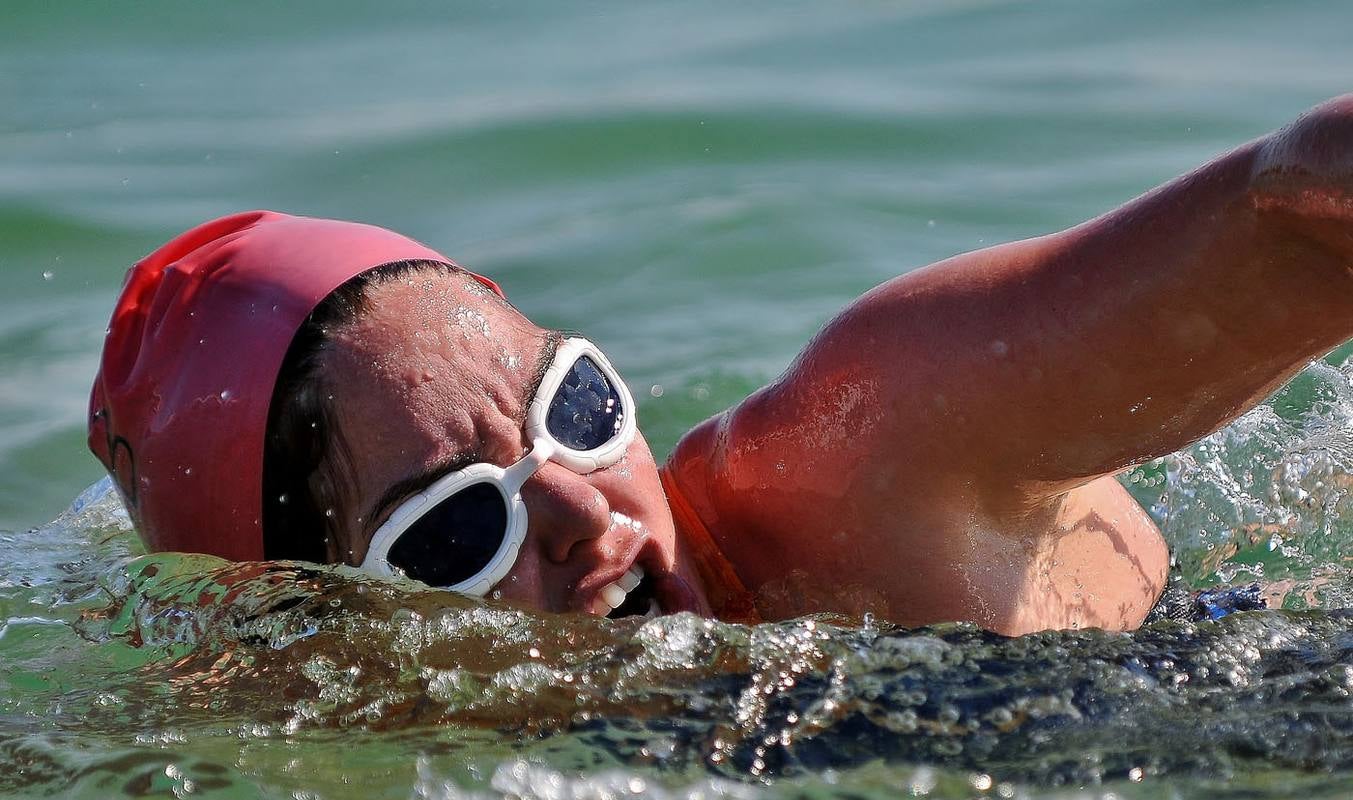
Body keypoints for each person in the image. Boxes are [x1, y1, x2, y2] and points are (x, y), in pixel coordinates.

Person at [88, 95, 1353, 636]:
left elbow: (1289, 207)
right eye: (453, 528)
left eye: (578, 407)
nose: (587, 513)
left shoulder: (864, 461)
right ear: (321, 635)